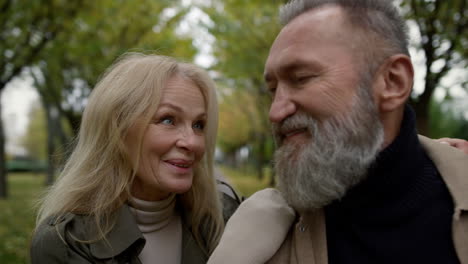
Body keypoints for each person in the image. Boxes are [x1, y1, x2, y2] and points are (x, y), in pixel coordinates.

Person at [208, 0, 468, 263]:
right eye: (273, 89)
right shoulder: (259, 239)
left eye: (301, 78)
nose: (275, 112)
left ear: (392, 82)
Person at [30, 53, 240, 264]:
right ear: (117, 129)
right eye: (168, 120)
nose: (192, 142)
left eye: (198, 125)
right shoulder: (66, 243)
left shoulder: (225, 220)